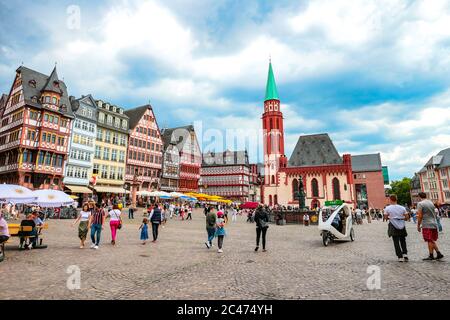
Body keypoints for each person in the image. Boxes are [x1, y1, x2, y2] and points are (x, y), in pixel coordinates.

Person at [417, 193, 444, 261]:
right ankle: (438, 253)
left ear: (419, 197)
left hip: (426, 223)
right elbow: (434, 213)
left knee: (429, 239)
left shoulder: (420, 204)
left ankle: (431, 255)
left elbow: (420, 216)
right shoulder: (431, 202)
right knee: (431, 239)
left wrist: (418, 225)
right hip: (433, 223)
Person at [384, 195, 409, 262]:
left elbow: (386, 218)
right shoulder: (402, 208)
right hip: (402, 225)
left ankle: (400, 257)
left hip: (393, 225)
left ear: (390, 199)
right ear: (396, 199)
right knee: (403, 240)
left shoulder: (387, 208)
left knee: (396, 242)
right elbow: (407, 217)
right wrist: (401, 218)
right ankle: (405, 254)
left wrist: (391, 217)